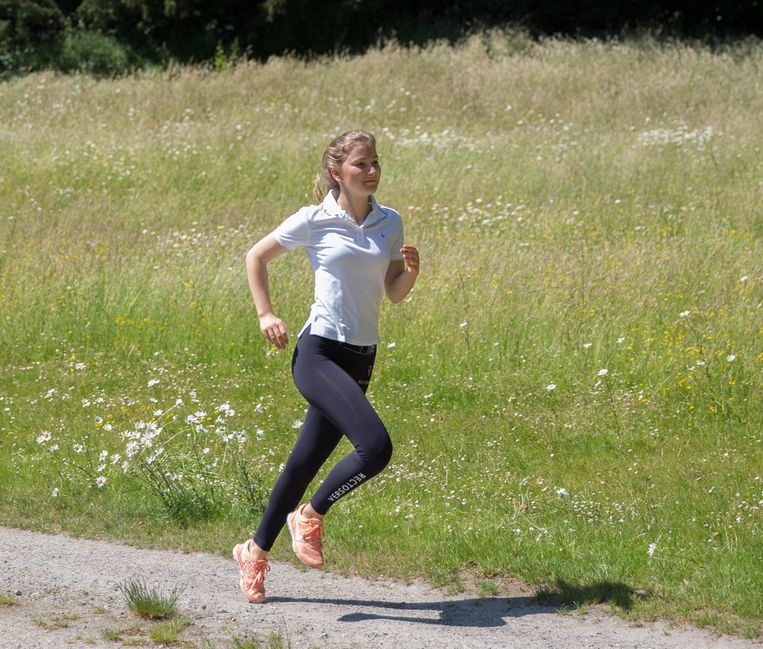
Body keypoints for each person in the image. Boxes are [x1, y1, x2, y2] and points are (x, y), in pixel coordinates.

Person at [233, 130, 420, 603]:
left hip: (362, 354)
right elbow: (256, 256)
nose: (373, 171)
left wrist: (411, 274)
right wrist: (266, 314)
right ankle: (310, 515)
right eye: (362, 164)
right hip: (318, 353)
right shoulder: (314, 220)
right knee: (375, 448)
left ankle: (253, 551)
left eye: (376, 162)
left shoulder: (389, 222)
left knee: (302, 463)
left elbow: (392, 291)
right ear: (338, 172)